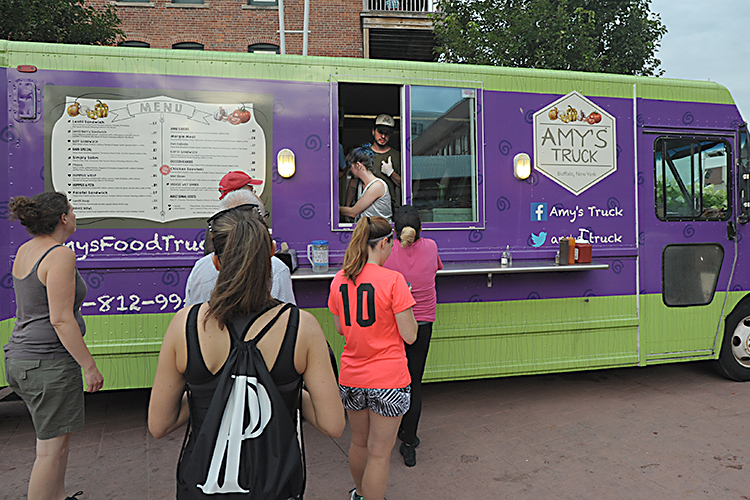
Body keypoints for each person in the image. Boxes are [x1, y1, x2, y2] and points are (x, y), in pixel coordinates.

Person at [149, 204, 345, 498]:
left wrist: (218, 396)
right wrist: (279, 394)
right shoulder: (301, 326)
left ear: (216, 262)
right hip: (274, 485)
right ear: (273, 252)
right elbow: (333, 424)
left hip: (202, 484)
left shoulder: (185, 324)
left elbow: (159, 424)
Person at [4, 192, 104, 500]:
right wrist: (89, 366)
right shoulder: (59, 255)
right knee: (49, 450)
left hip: (22, 358)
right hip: (48, 363)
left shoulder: (26, 249)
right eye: (72, 211)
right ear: (63, 218)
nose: (75, 216)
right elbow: (61, 320)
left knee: (56, 443)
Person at [328, 216, 417, 500]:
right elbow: (411, 335)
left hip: (352, 376)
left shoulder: (340, 279)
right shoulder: (394, 281)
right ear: (384, 243)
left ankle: (359, 494)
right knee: (380, 454)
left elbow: (342, 328)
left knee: (359, 444)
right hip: (388, 379)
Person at [383, 205, 442, 467]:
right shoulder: (431, 247)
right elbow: (435, 270)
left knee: (394, 382)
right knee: (414, 383)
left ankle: (390, 432)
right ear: (421, 229)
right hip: (423, 323)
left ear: (393, 231)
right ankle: (409, 442)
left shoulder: (386, 252)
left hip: (394, 324)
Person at [185, 176, 296, 305]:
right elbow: (287, 317)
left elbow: (189, 313)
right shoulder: (277, 269)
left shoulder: (200, 268)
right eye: (251, 191)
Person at [345, 115, 402, 214]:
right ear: (373, 131)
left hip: (386, 209)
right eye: (380, 132)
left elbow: (404, 186)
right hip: (362, 207)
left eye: (387, 134)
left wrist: (391, 173)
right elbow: (353, 184)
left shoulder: (397, 156)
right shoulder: (363, 153)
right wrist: (347, 208)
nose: (383, 136)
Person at [339, 147, 392, 223]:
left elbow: (352, 212)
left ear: (358, 165)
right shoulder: (361, 183)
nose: (349, 169)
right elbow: (352, 188)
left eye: (351, 166)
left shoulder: (377, 186)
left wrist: (332, 208)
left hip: (380, 233)